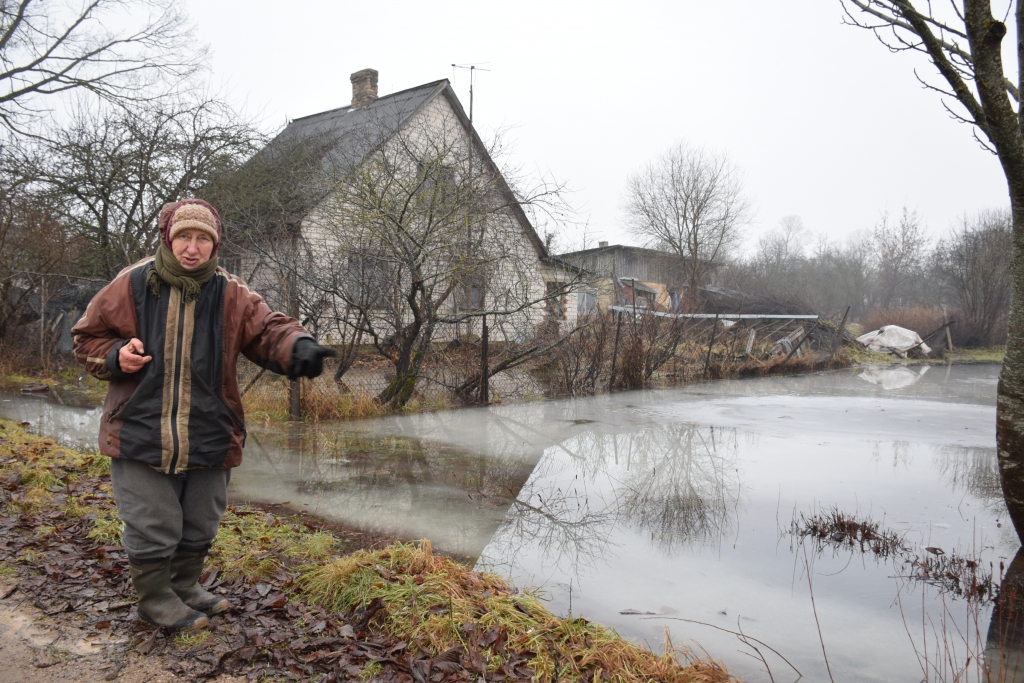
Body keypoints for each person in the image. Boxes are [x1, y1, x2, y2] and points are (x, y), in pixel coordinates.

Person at [71, 198, 334, 631]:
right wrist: (117, 355)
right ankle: (155, 599)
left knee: (200, 519)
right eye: (184, 237)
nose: (192, 248)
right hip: (140, 427)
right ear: (167, 239)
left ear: (214, 245)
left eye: (202, 239)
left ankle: (186, 587)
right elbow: (86, 341)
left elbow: (270, 330)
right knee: (152, 520)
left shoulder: (232, 292)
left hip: (210, 428)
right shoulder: (132, 284)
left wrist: (298, 347)